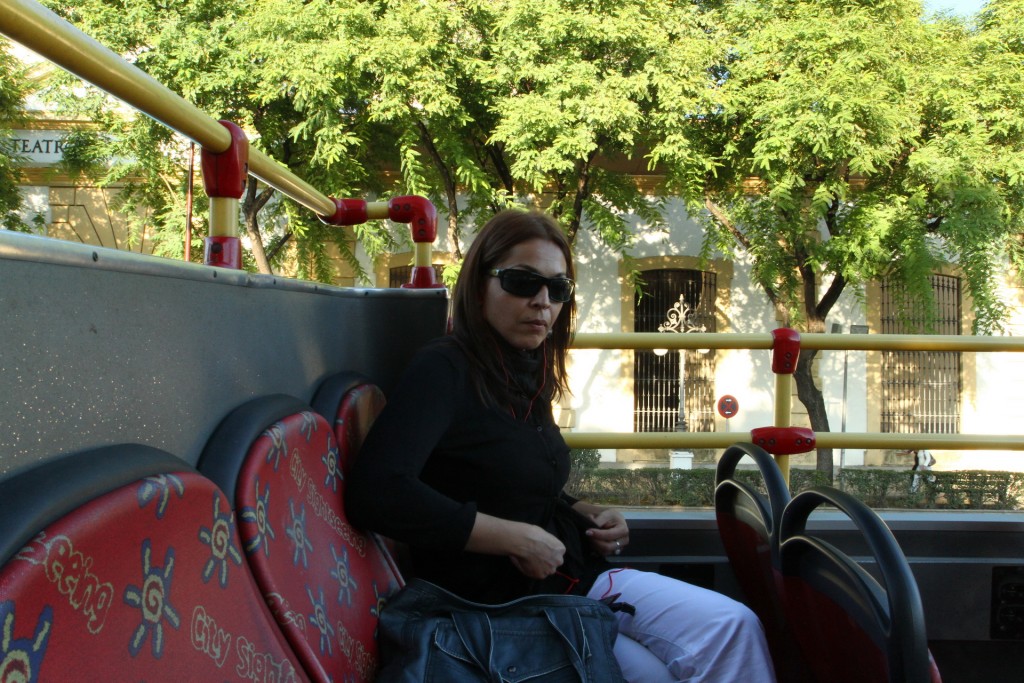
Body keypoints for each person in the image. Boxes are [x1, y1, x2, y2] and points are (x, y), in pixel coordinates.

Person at [346, 209, 776, 682]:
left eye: (557, 288)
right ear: (479, 285)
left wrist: (583, 510)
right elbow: (378, 490)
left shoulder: (527, 371)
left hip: (570, 576)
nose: (542, 302)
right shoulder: (444, 370)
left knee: (732, 626)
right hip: (498, 604)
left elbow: (508, 481)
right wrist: (514, 538)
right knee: (667, 667)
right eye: (522, 282)